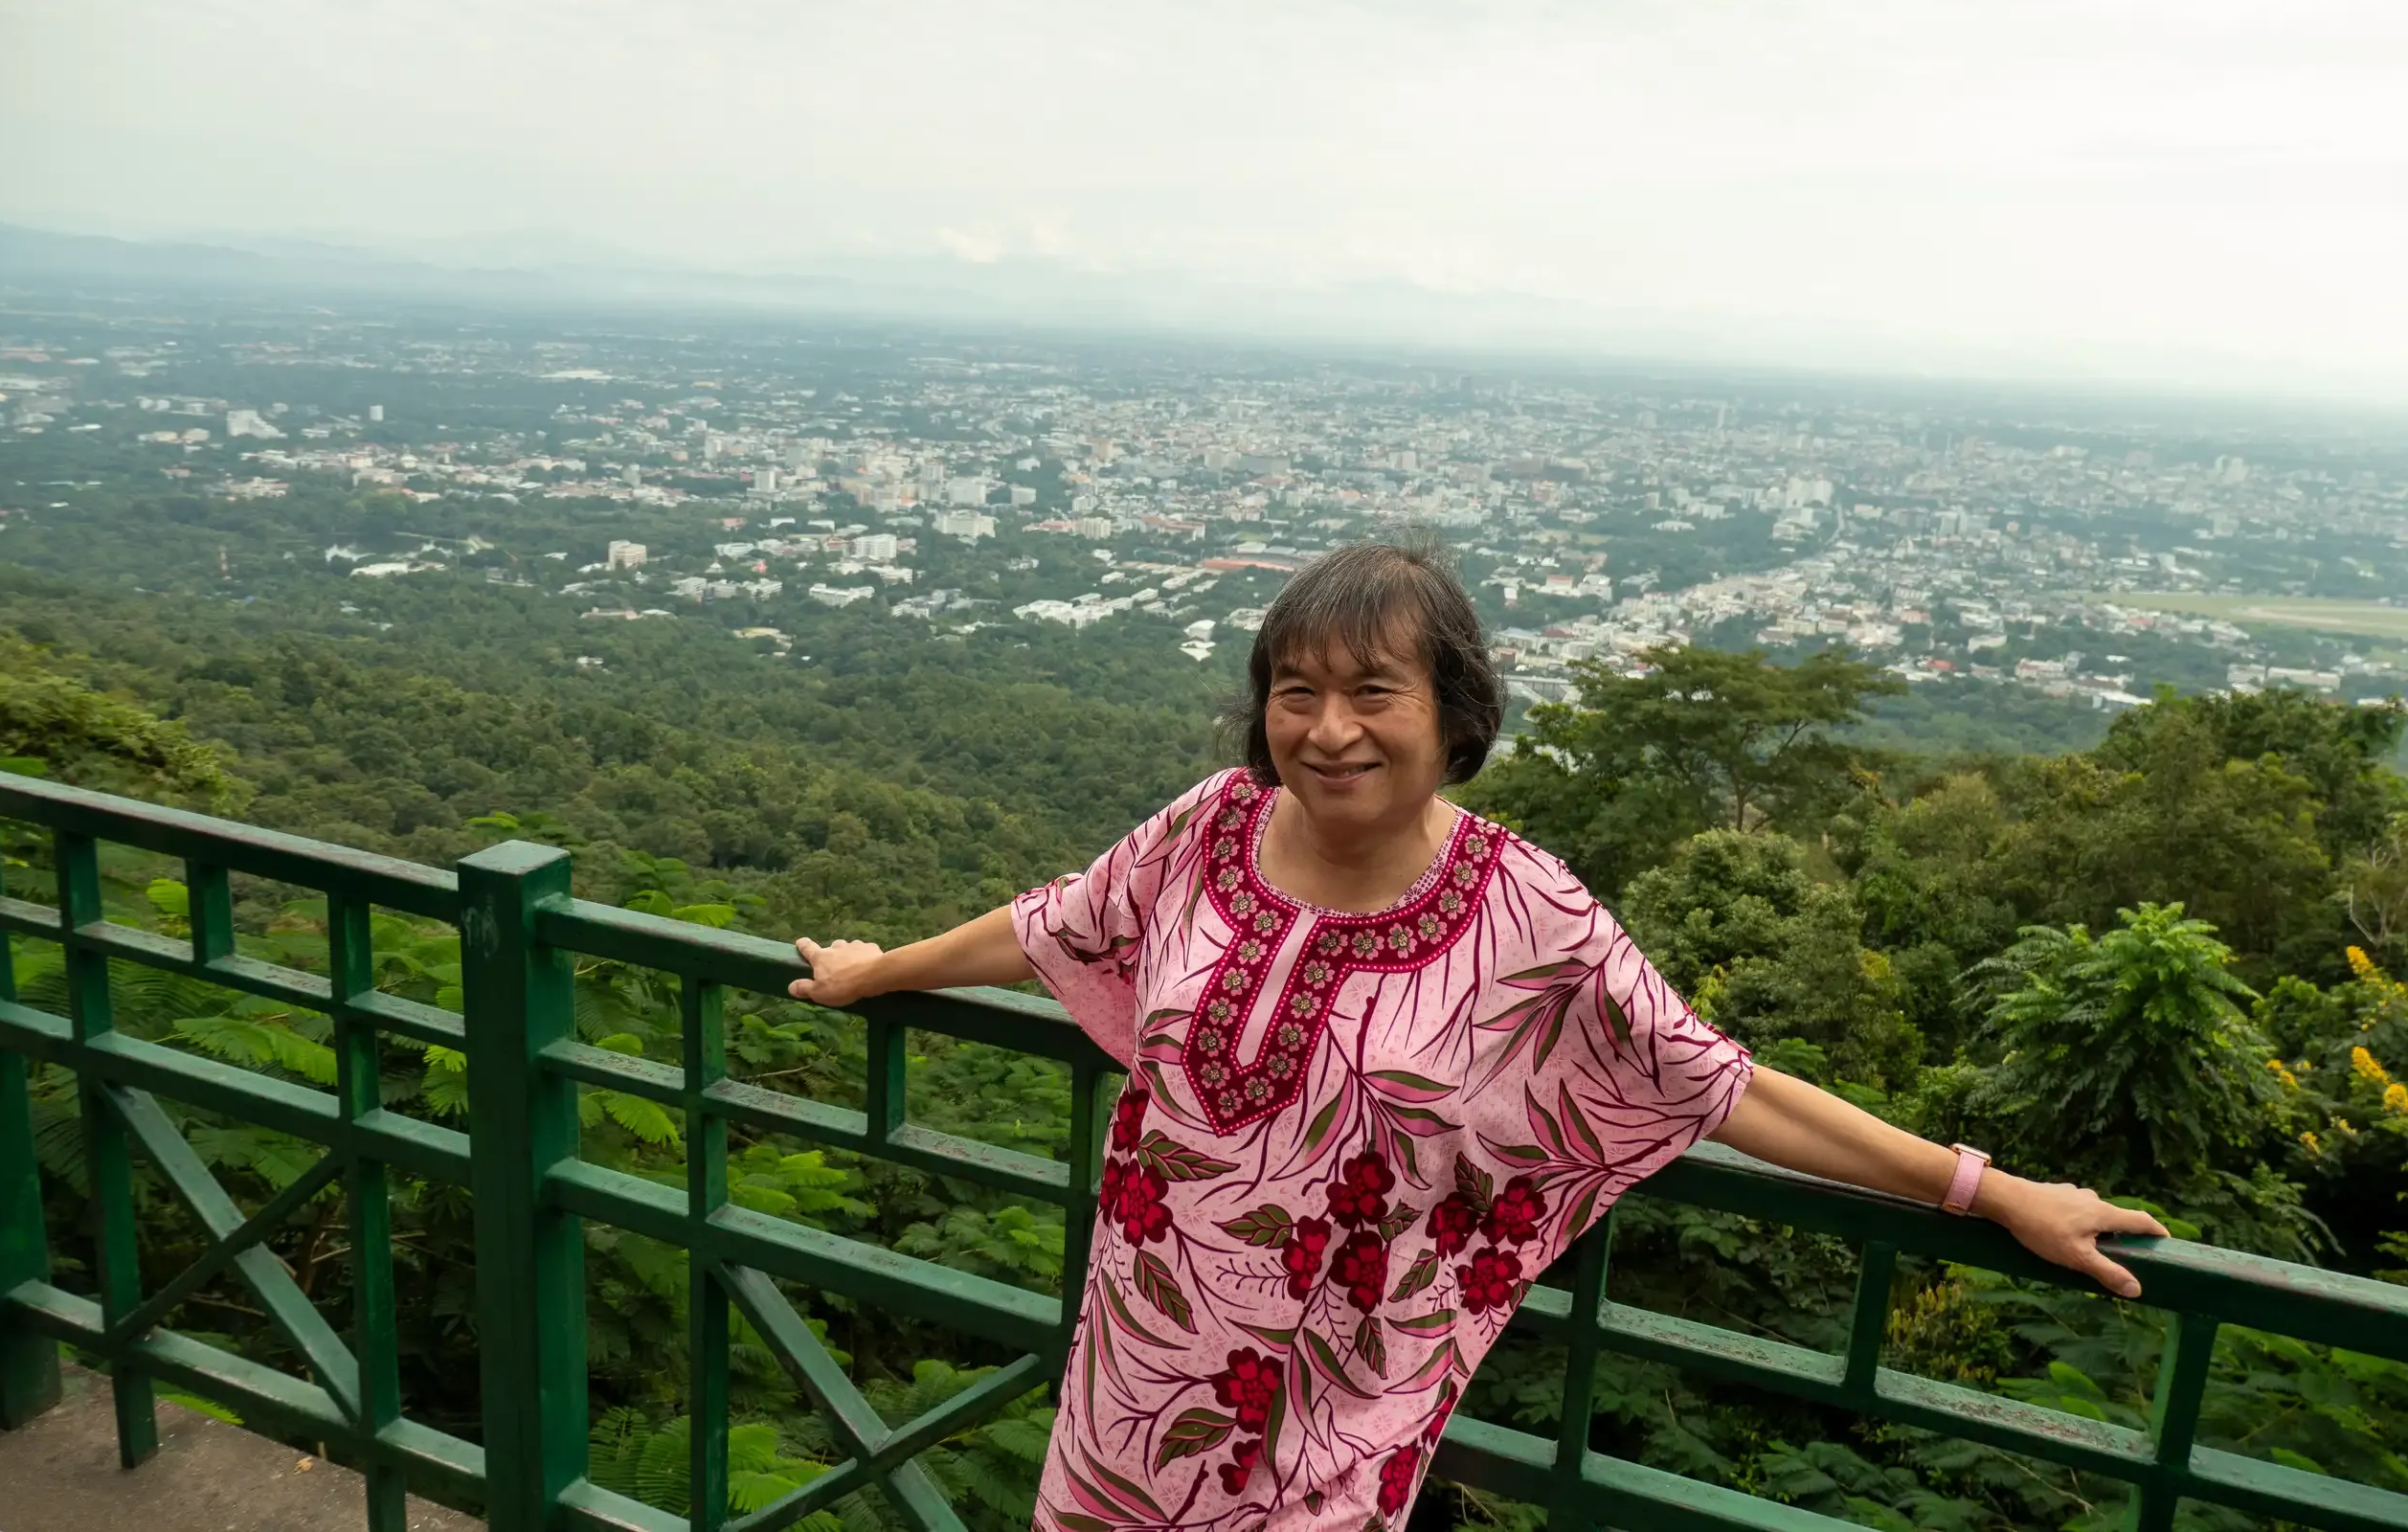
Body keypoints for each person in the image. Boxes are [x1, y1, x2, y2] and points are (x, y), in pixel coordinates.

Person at [790, 540, 2164, 1532]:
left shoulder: (1522, 910)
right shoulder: (1207, 828)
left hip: (1332, 1402)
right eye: (1297, 691)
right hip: (1132, 1366)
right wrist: (876, 971)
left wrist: (1984, 1188)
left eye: (1374, 691)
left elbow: (1719, 1085)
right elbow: (1051, 926)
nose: (1330, 729)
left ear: (1453, 712)